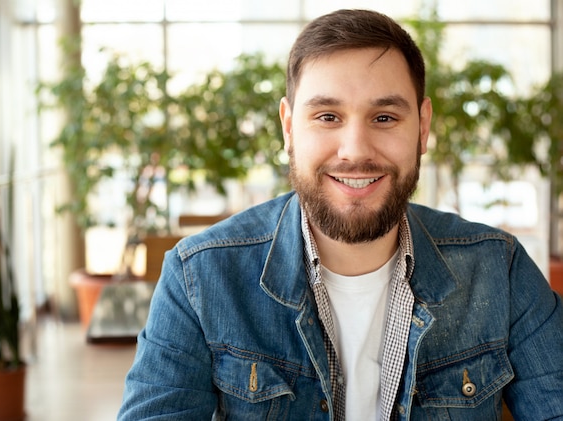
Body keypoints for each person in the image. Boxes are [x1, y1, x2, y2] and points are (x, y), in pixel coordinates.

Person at [118, 9, 563, 421]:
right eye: (328, 116)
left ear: (422, 128)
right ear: (289, 127)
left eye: (385, 118)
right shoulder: (200, 276)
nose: (355, 151)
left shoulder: (498, 269)